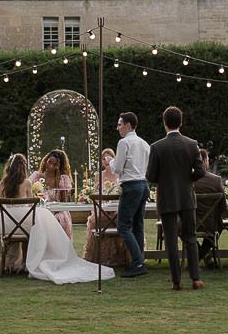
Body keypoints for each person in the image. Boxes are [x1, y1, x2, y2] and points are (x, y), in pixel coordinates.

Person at [0, 154, 116, 284]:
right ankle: (29, 262)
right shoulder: (26, 183)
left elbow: (4, 204)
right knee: (38, 223)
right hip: (23, 219)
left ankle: (12, 264)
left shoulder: (2, 183)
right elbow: (29, 202)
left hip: (7, 221)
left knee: (24, 228)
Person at [146, 106, 204, 291]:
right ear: (181, 122)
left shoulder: (157, 147)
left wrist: (165, 180)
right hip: (187, 196)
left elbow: (151, 176)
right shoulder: (192, 144)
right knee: (191, 237)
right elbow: (201, 171)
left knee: (171, 239)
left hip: (167, 197)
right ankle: (195, 278)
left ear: (164, 123)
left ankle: (176, 281)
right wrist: (188, 180)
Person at [108, 112, 150, 278]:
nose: (117, 128)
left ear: (128, 125)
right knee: (138, 225)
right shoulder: (145, 144)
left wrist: (110, 161)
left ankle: (138, 262)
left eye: (119, 124)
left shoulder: (124, 143)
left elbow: (117, 169)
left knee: (123, 226)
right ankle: (139, 261)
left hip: (131, 186)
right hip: (143, 184)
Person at [84, 152, 129, 268]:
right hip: (102, 207)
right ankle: (99, 256)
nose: (106, 160)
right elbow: (95, 192)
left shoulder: (119, 174)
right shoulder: (98, 175)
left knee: (121, 220)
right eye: (103, 159)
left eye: (109, 158)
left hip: (118, 207)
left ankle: (123, 255)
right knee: (97, 220)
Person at [29, 150, 74, 236]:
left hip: (57, 210)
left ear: (58, 166)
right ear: (46, 161)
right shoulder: (37, 176)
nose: (51, 166)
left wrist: (59, 180)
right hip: (40, 210)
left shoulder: (62, 179)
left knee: (61, 217)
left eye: (55, 164)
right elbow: (29, 194)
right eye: (49, 162)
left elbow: (64, 201)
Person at [192, 146, 226, 260]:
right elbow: (223, 206)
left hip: (190, 223)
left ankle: (197, 254)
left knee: (183, 230)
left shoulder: (187, 180)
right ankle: (203, 254)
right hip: (211, 224)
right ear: (205, 161)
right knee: (219, 226)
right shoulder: (216, 180)